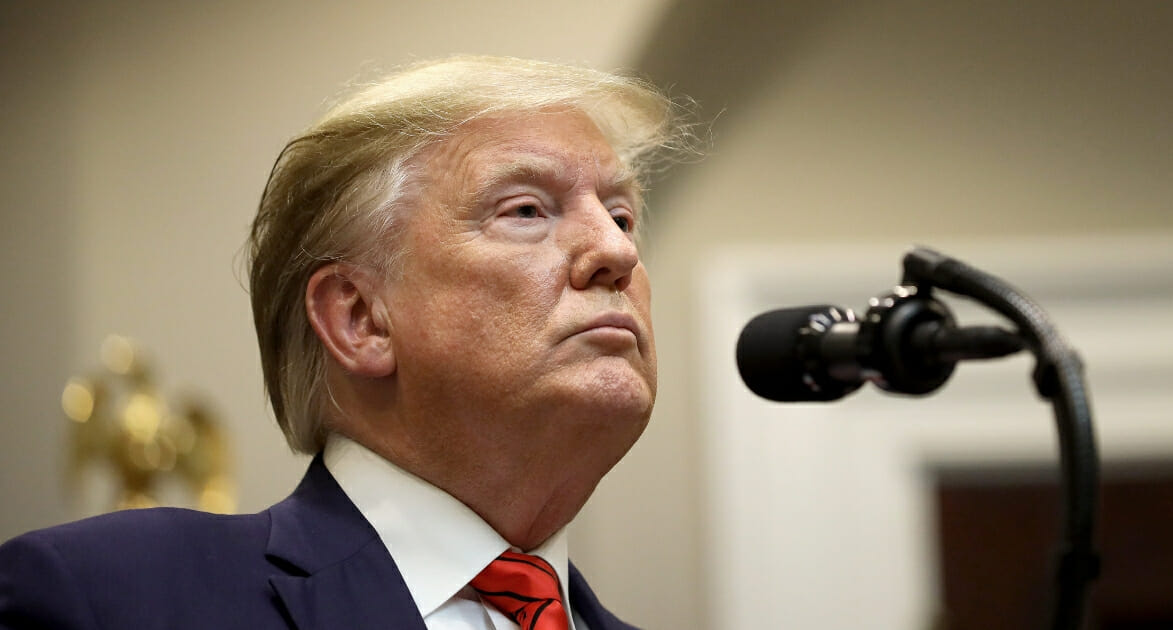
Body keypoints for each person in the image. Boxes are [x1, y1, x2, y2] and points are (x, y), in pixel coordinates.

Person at [0, 55, 690, 630]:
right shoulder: (109, 598)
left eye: (622, 215)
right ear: (360, 319)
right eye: (526, 211)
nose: (615, 251)